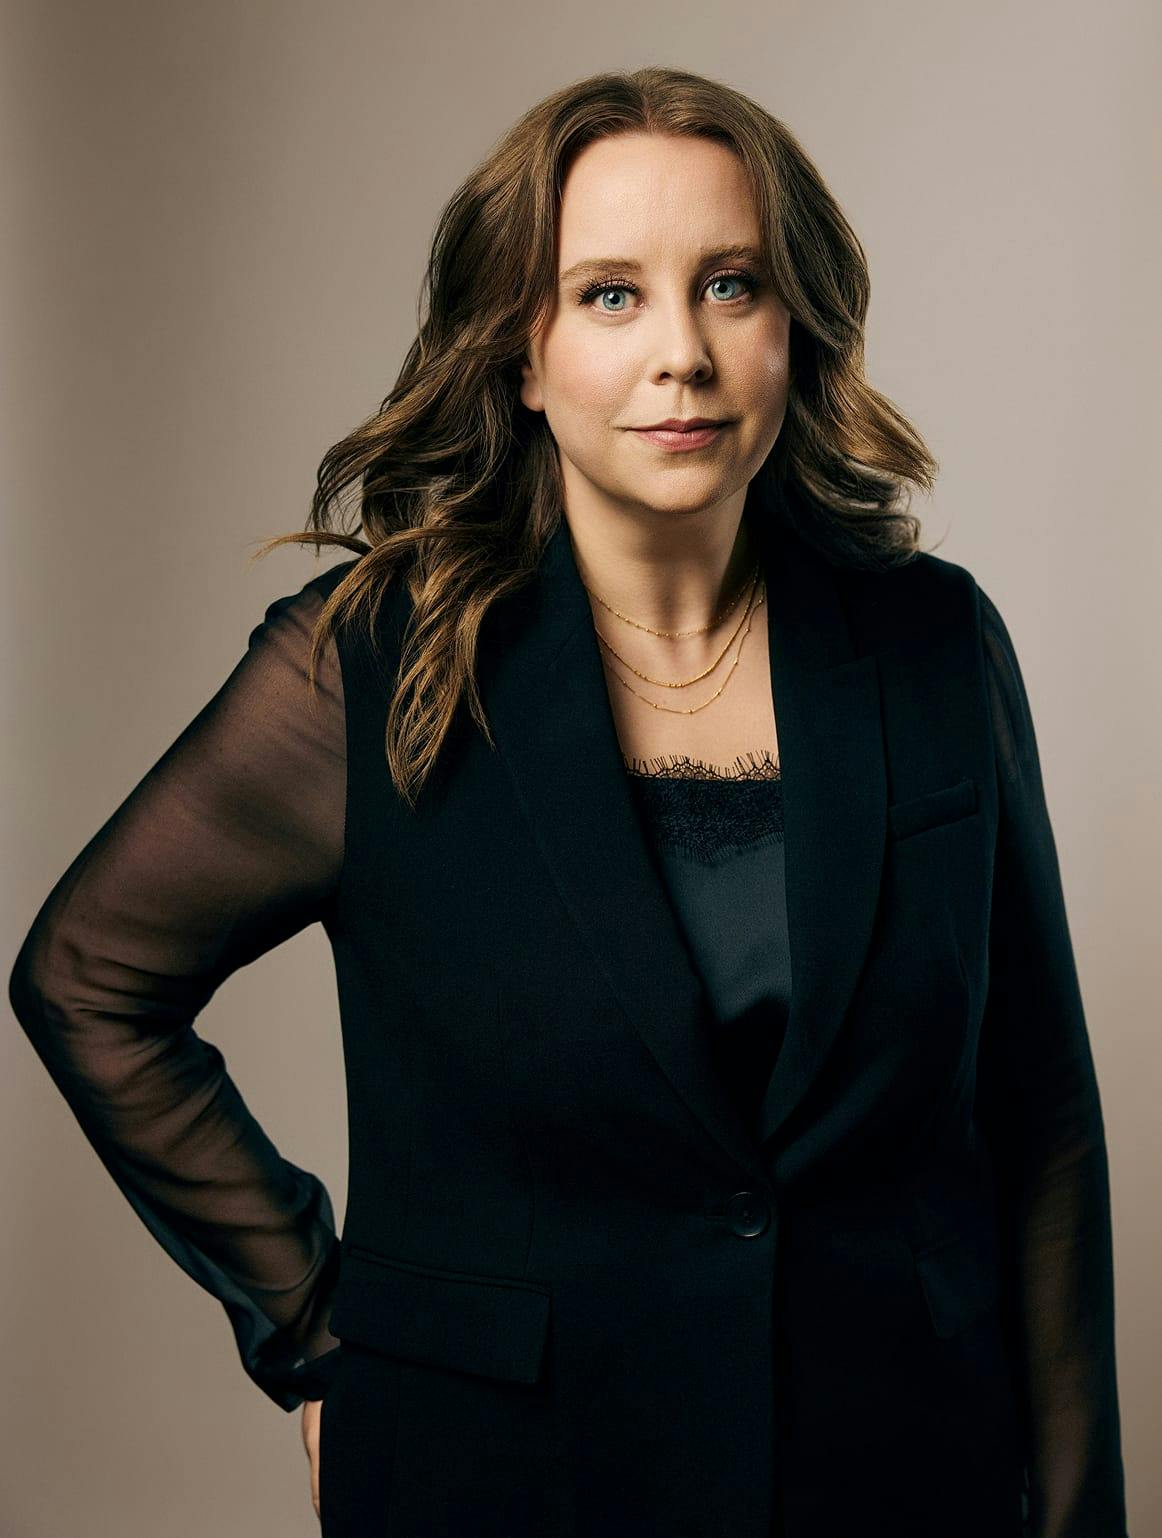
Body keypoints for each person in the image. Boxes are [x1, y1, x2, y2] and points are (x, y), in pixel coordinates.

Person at [8, 66, 1128, 1538]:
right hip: (501, 1478)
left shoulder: (933, 644)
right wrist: (314, 1323)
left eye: (729, 284)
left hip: (899, 1476)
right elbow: (88, 978)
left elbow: (1040, 1115)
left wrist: (1077, 1508)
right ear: (521, 356)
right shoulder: (371, 667)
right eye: (610, 295)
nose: (683, 354)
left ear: (793, 323)